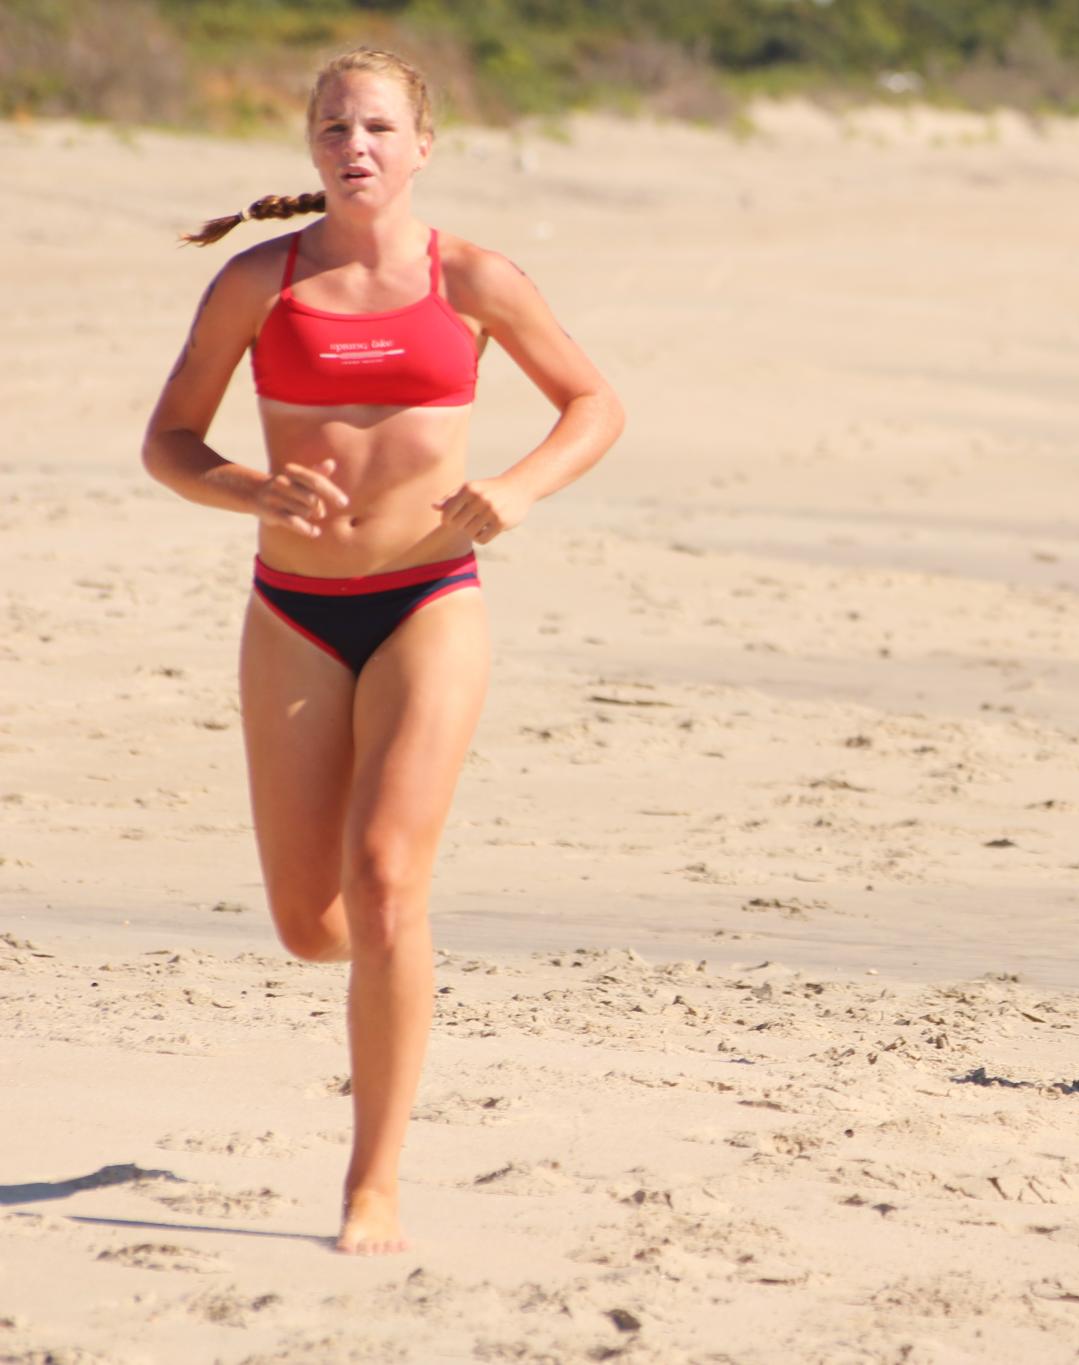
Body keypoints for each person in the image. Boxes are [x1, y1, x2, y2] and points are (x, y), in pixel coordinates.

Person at [141, 47, 625, 1253]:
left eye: (375, 128)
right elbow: (170, 441)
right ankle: (381, 954)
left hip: (428, 600)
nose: (353, 146)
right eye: (332, 129)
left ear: (420, 147)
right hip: (295, 611)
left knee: (389, 879)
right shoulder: (261, 283)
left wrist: (513, 489)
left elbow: (594, 404)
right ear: (311, 149)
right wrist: (249, 487)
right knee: (314, 923)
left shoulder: (469, 276)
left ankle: (375, 1184)